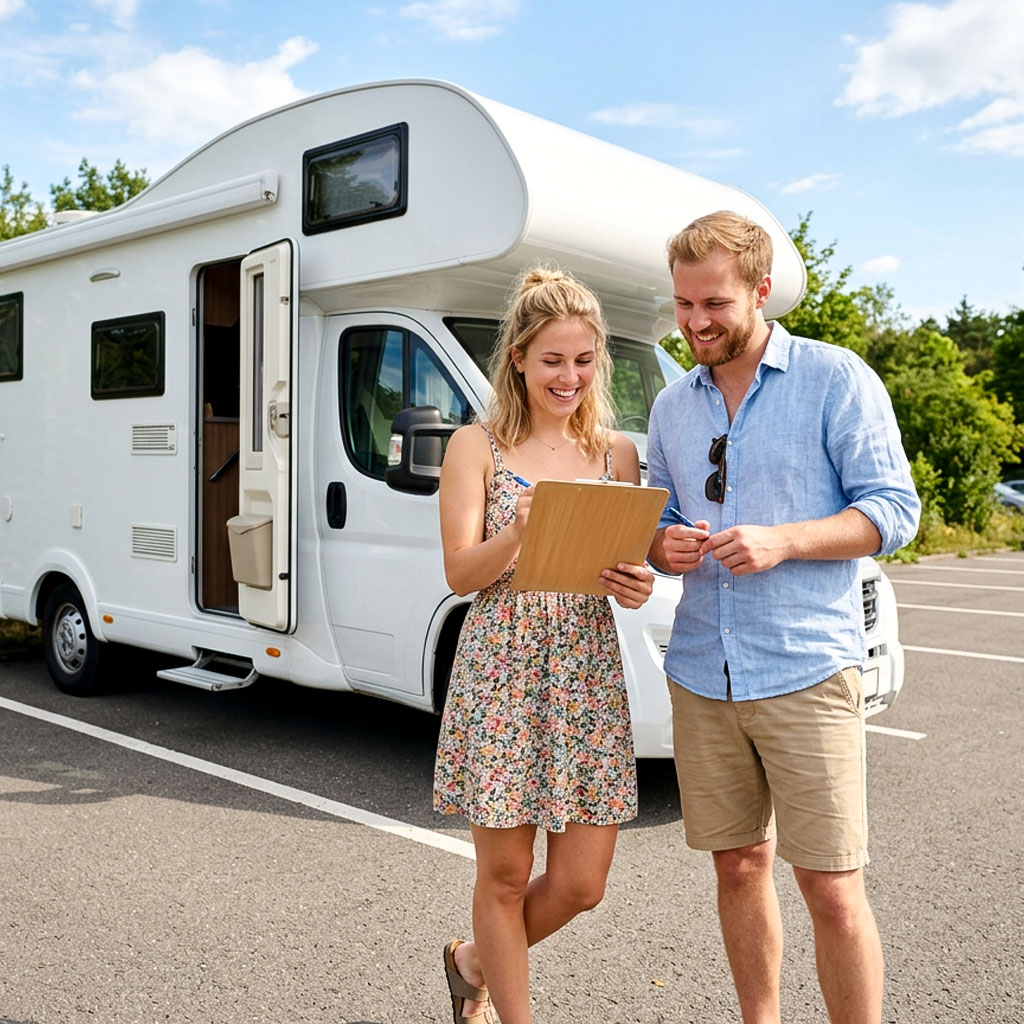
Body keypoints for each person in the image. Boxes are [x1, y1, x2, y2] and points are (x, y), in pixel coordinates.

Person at [646, 210, 920, 1024]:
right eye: (684, 304)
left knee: (831, 887)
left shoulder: (836, 378)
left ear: (762, 291)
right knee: (737, 868)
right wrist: (665, 547)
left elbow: (894, 512)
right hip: (703, 669)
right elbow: (654, 525)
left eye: (715, 304)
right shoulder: (672, 406)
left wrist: (784, 540)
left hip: (806, 667)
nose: (696, 322)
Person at [434, 266, 655, 1024]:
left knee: (581, 885)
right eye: (553, 359)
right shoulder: (475, 446)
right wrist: (519, 533)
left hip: (586, 671)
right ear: (519, 358)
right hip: (502, 666)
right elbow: (460, 574)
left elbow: (620, 567)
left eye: (584, 359)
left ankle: (472, 962)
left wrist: (634, 584)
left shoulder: (617, 454)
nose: (569, 376)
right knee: (502, 878)